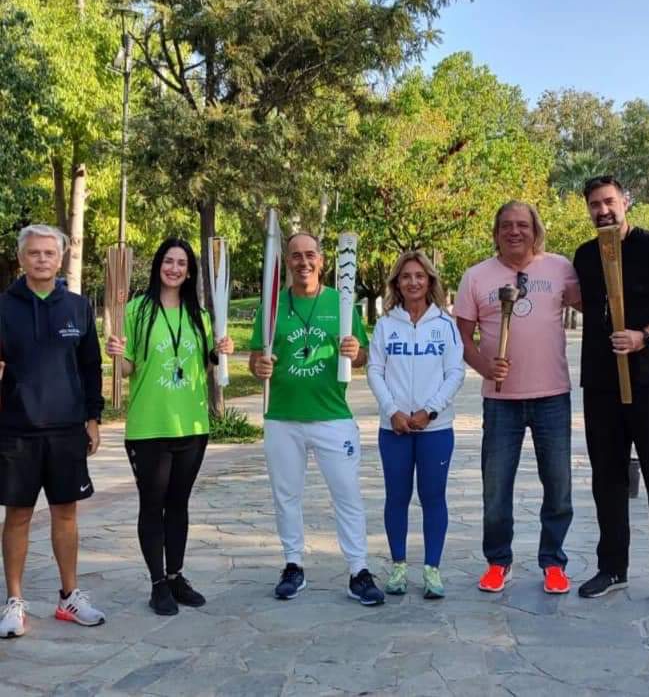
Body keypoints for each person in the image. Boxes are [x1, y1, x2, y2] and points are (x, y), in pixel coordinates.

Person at [573, 176, 649, 614]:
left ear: (625, 202)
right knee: (607, 479)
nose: (603, 210)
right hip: (602, 386)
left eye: (609, 201)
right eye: (594, 204)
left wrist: (645, 336)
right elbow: (585, 301)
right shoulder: (585, 256)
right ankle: (612, 567)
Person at [249, 232, 384, 605]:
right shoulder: (271, 307)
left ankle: (358, 570)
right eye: (296, 255)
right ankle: (293, 564)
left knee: (347, 493)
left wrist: (355, 352)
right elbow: (256, 359)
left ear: (322, 261)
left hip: (332, 417)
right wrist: (259, 366)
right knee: (286, 495)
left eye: (310, 255)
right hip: (282, 418)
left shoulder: (341, 303)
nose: (303, 262)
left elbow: (361, 355)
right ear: (287, 262)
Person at [454, 201, 580, 594]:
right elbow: (462, 337)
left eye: (522, 225)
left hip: (552, 395)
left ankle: (553, 562)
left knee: (558, 486)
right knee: (496, 488)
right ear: (496, 232)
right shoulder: (476, 276)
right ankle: (498, 561)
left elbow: (594, 307)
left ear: (535, 230)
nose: (514, 231)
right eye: (506, 225)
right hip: (500, 400)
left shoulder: (560, 268)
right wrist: (484, 367)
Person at [106, 238, 234, 616]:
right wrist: (116, 355)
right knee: (153, 504)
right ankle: (158, 583)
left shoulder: (200, 316)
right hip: (149, 426)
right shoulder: (135, 311)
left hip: (191, 425)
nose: (174, 268)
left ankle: (176, 576)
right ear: (157, 265)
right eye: (168, 261)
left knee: (178, 504)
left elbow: (205, 365)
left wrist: (220, 352)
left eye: (181, 263)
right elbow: (127, 369)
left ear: (189, 271)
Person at [0, 225, 105, 638]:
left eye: (49, 253)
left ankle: (69, 597)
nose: (42, 259)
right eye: (34, 253)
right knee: (18, 515)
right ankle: (14, 601)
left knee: (66, 513)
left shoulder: (78, 307)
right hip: (16, 431)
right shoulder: (4, 307)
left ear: (60, 259)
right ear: (21, 258)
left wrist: (93, 419)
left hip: (66, 430)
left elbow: (91, 367)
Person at [367, 251, 464, 599]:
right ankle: (398, 567)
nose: (413, 282)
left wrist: (430, 411)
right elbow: (374, 370)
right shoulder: (385, 325)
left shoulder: (445, 325)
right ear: (397, 283)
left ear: (430, 281)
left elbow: (455, 373)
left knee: (433, 496)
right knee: (397, 497)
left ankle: (432, 570)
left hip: (434, 430)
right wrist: (392, 410)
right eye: (406, 276)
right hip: (394, 428)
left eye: (419, 276)